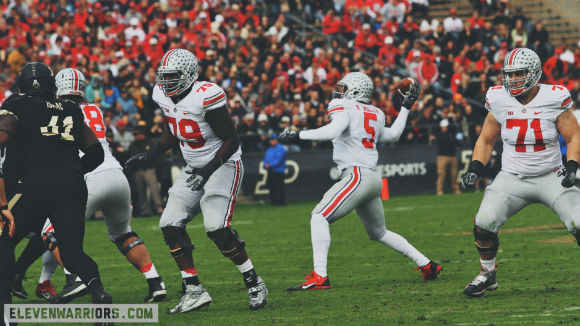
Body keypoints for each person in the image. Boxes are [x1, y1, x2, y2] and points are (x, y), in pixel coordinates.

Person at [125, 49, 268, 313]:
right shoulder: (162, 95)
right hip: (194, 166)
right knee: (169, 224)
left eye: (173, 76)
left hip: (223, 164)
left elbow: (231, 139)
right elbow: (175, 127)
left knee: (216, 227)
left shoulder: (206, 96)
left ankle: (253, 280)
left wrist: (207, 170)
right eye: (164, 76)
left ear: (189, 75)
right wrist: (150, 154)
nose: (166, 82)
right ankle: (193, 289)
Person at [279, 72, 442, 291]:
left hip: (356, 175)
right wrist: (405, 108)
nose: (339, 92)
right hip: (373, 178)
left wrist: (298, 135)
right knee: (379, 232)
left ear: (355, 90)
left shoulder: (342, 106)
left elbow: (334, 130)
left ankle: (320, 276)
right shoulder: (376, 112)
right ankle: (427, 264)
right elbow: (393, 135)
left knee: (319, 217)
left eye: (344, 88)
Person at [16, 68, 166, 304]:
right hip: (116, 175)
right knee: (123, 232)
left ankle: (76, 280)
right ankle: (155, 282)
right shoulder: (95, 109)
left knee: (51, 231)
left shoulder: (63, 110)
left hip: (87, 176)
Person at [461, 48, 580, 297]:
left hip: (551, 175)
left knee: (579, 221)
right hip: (512, 178)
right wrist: (475, 168)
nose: (513, 79)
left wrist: (572, 166)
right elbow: (485, 139)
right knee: (484, 221)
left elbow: (574, 136)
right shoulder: (498, 98)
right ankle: (487, 274)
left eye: (520, 73)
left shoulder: (554, 97)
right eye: (510, 74)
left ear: (535, 73)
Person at [0, 62, 111, 319]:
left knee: (4, 241)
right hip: (72, 186)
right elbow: (96, 152)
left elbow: (3, 137)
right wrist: (70, 171)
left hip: (35, 185)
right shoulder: (71, 108)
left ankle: (6, 314)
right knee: (73, 252)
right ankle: (100, 297)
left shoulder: (17, 104)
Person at [435, 119, 460, 195]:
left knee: (454, 174)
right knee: (441, 174)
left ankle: (456, 189)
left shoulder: (451, 134)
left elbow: (457, 142)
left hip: (452, 156)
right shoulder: (440, 135)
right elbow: (450, 141)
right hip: (442, 157)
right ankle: (439, 190)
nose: (445, 128)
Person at [263, 134, 287, 205]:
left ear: (276, 140)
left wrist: (269, 165)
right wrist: (265, 165)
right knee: (271, 187)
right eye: (271, 140)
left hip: (279, 171)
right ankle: (274, 201)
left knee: (279, 187)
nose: (272, 141)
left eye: (273, 140)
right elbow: (266, 159)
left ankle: (281, 202)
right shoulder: (269, 149)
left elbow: (278, 160)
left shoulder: (280, 148)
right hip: (270, 171)